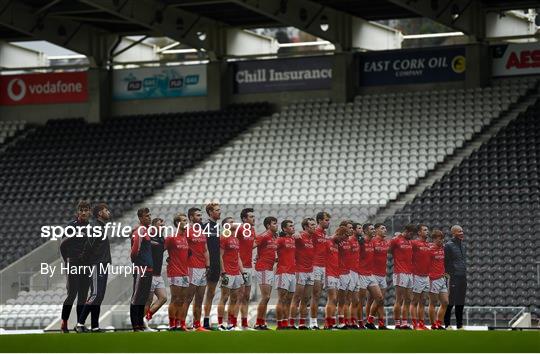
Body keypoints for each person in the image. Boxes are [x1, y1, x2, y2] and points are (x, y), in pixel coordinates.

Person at [75, 202, 112, 333]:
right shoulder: (96, 227)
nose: (109, 212)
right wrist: (85, 260)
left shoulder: (101, 227)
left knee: (99, 296)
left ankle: (95, 326)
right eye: (106, 210)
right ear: (100, 213)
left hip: (102, 264)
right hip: (97, 264)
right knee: (96, 294)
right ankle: (80, 323)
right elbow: (89, 245)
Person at [60, 200, 92, 333]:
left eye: (86, 210)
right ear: (77, 212)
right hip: (73, 263)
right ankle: (64, 323)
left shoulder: (91, 227)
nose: (84, 212)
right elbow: (62, 245)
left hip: (86, 265)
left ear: (89, 212)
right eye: (81, 210)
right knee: (72, 294)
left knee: (83, 295)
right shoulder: (71, 226)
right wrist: (68, 261)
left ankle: (80, 324)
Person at [129, 207, 154, 331]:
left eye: (149, 215)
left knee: (143, 297)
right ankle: (135, 325)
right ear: (140, 218)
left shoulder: (146, 230)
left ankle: (139, 324)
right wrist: (137, 263)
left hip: (148, 269)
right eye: (146, 216)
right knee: (136, 297)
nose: (149, 217)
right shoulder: (140, 230)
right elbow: (134, 251)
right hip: (141, 269)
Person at [217, 217, 244, 330]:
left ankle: (231, 323)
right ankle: (220, 324)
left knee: (235, 298)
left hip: (236, 272)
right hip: (227, 272)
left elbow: (237, 257)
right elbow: (220, 255)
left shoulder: (236, 239)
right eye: (231, 222)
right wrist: (223, 272)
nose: (234, 223)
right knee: (224, 297)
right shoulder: (224, 237)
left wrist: (242, 272)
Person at [164, 213, 190, 331]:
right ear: (177, 223)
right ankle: (172, 324)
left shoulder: (186, 238)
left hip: (185, 272)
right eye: (184, 220)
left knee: (183, 299)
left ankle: (180, 324)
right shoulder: (171, 238)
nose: (186, 222)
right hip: (175, 272)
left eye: (186, 220)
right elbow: (159, 250)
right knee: (175, 298)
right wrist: (167, 259)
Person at [185, 207, 210, 331]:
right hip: (191, 268)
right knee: (188, 298)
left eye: (201, 215)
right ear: (191, 217)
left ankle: (197, 325)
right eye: (198, 215)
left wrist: (208, 266)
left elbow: (205, 250)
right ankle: (181, 324)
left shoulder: (201, 232)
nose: (200, 217)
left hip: (202, 269)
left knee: (199, 298)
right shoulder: (187, 231)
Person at [290, 217, 316, 330]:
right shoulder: (300, 235)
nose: (314, 227)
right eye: (312, 225)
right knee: (297, 298)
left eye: (315, 224)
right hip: (300, 271)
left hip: (311, 271)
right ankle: (291, 323)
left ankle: (301, 324)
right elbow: (292, 237)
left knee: (306, 299)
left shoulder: (312, 238)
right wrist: (295, 233)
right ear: (306, 227)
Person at [389, 224, 416, 330]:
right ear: (406, 231)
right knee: (399, 299)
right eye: (411, 233)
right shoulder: (396, 240)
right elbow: (389, 250)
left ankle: (404, 323)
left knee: (408, 299)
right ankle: (397, 324)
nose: (412, 235)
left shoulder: (410, 241)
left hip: (409, 273)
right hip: (400, 272)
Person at [254, 216, 278, 330]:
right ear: (268, 225)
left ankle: (262, 322)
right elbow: (252, 246)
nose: (276, 225)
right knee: (266, 296)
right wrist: (257, 257)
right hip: (263, 268)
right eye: (274, 223)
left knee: (267, 297)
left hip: (269, 268)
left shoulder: (274, 237)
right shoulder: (263, 236)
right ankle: (258, 323)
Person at [359, 223, 385, 330]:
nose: (374, 230)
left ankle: (370, 321)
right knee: (360, 301)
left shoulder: (373, 241)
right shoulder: (361, 242)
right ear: (365, 231)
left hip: (370, 274)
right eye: (371, 229)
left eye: (374, 229)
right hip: (361, 274)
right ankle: (360, 323)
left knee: (380, 298)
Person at [144, 217, 167, 331]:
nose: (162, 226)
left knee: (163, 298)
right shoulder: (149, 237)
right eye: (160, 224)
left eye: (163, 224)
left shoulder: (162, 239)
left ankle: (145, 319)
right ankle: (142, 324)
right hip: (150, 274)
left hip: (158, 274)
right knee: (148, 300)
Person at [323, 224, 348, 329]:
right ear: (338, 234)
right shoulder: (327, 242)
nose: (343, 241)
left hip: (336, 274)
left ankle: (330, 322)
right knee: (332, 299)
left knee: (335, 299)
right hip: (329, 274)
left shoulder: (337, 244)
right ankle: (328, 323)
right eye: (343, 238)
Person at [275, 220, 298, 330]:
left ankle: (286, 322)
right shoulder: (280, 240)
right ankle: (279, 324)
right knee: (281, 299)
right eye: (290, 226)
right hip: (282, 272)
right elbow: (270, 248)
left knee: (289, 299)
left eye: (293, 226)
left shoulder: (293, 239)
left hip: (292, 273)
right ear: (284, 229)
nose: (293, 228)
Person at [366, 223, 390, 330]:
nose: (385, 230)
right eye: (382, 228)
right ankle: (369, 322)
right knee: (372, 300)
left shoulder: (385, 242)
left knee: (380, 300)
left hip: (382, 274)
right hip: (373, 274)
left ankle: (380, 323)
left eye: (385, 228)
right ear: (376, 230)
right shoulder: (372, 241)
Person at [444, 225, 467, 330]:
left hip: (463, 276)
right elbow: (445, 262)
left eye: (462, 231)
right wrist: (450, 274)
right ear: (453, 233)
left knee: (460, 301)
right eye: (459, 231)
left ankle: (459, 325)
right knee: (450, 301)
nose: (462, 233)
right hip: (453, 277)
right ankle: (447, 324)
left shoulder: (463, 245)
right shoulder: (448, 245)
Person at [310, 211, 331, 329]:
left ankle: (315, 321)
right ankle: (313, 322)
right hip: (315, 266)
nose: (328, 222)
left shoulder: (324, 233)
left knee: (318, 295)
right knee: (316, 295)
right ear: (319, 221)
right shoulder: (315, 232)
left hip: (323, 267)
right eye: (326, 220)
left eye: (328, 220)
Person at [203, 202, 222, 330]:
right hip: (205, 264)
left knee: (211, 293)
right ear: (210, 212)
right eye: (217, 210)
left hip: (216, 264)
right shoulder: (204, 226)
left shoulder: (219, 227)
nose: (219, 212)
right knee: (197, 294)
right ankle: (193, 322)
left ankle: (206, 321)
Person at [237, 208, 256, 330]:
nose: (253, 218)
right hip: (239, 267)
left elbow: (250, 245)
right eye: (250, 217)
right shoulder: (239, 229)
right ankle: (233, 323)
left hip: (249, 266)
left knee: (246, 296)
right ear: (244, 219)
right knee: (238, 296)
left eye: (253, 216)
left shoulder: (252, 230)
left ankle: (244, 323)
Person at [410, 224, 431, 330]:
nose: (427, 231)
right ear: (419, 232)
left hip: (426, 276)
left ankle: (421, 324)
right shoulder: (414, 243)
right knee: (414, 301)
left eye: (427, 230)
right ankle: (414, 324)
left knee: (423, 301)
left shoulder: (428, 245)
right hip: (416, 276)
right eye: (425, 230)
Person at [428, 229, 449, 330]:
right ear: (434, 239)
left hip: (442, 278)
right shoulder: (430, 249)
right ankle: (433, 325)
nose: (441, 240)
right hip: (433, 279)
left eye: (442, 238)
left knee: (445, 302)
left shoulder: (443, 249)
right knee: (433, 302)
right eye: (439, 239)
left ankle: (439, 323)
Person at [336, 221, 354, 329]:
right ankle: (340, 322)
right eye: (349, 228)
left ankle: (347, 321)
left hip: (348, 272)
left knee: (348, 300)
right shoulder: (338, 241)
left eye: (352, 228)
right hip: (340, 273)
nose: (351, 229)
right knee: (341, 300)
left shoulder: (350, 241)